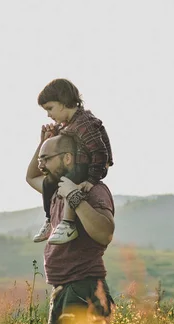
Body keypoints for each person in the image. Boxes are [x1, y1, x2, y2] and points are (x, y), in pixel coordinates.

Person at [25, 134, 116, 324]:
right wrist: (42, 141)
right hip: (63, 289)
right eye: (40, 158)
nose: (41, 164)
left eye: (46, 158)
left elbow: (105, 232)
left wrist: (75, 198)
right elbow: (30, 176)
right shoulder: (54, 190)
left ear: (67, 158)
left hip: (84, 287)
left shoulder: (92, 190)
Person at [33, 78, 114, 245]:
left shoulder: (85, 123)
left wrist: (92, 180)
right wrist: (51, 136)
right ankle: (50, 220)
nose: (48, 114)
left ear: (63, 103)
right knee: (48, 183)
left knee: (70, 177)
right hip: (80, 165)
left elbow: (99, 151)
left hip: (94, 166)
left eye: (50, 108)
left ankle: (68, 224)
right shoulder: (69, 124)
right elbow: (65, 142)